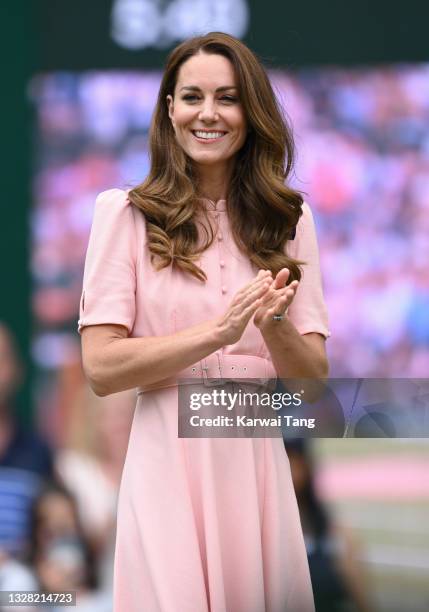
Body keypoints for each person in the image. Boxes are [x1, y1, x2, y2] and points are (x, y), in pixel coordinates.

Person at [78, 32, 330, 612]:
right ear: (170, 110)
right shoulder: (124, 214)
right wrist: (215, 333)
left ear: (251, 111)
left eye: (228, 97)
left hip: (253, 461)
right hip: (166, 460)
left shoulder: (290, 219)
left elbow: (312, 383)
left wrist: (273, 327)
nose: (208, 114)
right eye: (191, 97)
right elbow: (102, 367)